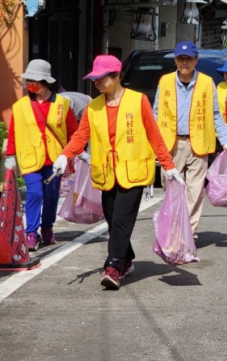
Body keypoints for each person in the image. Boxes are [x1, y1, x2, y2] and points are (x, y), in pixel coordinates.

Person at [58, 55, 183, 290]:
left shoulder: (138, 100)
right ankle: (126, 259)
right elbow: (81, 136)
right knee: (114, 220)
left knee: (122, 222)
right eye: (94, 78)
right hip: (106, 174)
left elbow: (154, 135)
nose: (97, 82)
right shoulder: (93, 107)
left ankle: (113, 268)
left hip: (133, 171)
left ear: (117, 77)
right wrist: (65, 155)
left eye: (101, 77)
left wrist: (169, 166)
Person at [153, 42, 227, 237]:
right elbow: (156, 112)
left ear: (196, 60)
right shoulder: (164, 81)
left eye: (188, 59)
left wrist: (225, 141)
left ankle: (187, 231)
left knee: (195, 190)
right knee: (171, 187)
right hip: (171, 144)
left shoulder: (207, 82)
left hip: (199, 143)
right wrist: (152, 142)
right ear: (175, 60)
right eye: (180, 59)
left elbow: (215, 114)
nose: (184, 63)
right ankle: (174, 225)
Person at [4, 60, 78, 251]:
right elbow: (13, 132)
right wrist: (10, 156)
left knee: (52, 196)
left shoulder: (62, 103)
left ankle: (47, 228)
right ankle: (31, 232)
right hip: (30, 157)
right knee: (35, 194)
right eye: (28, 80)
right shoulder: (20, 106)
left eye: (34, 80)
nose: (30, 84)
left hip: (55, 160)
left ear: (45, 81)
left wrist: (75, 153)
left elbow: (73, 131)